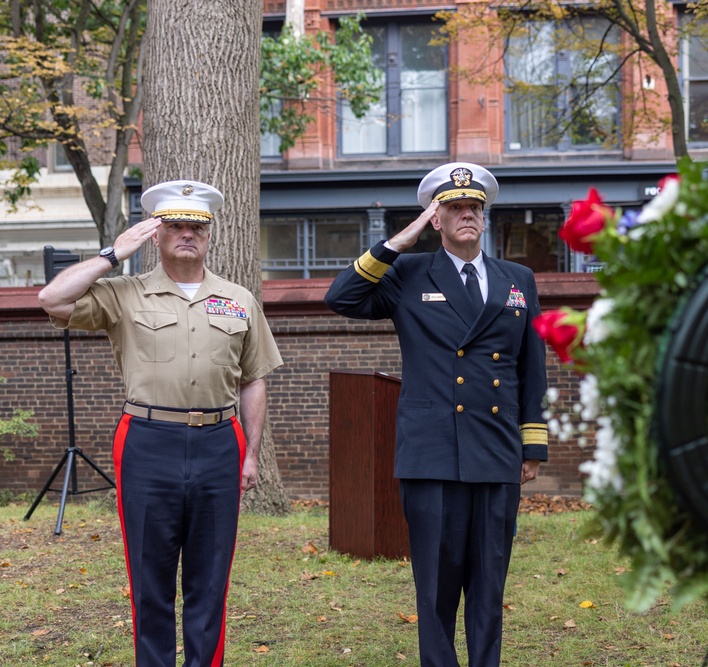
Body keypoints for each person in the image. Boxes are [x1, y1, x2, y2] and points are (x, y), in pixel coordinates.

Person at [37, 179, 283, 667]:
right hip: (148, 442)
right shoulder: (123, 294)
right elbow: (51, 298)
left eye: (197, 225)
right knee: (149, 579)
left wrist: (251, 453)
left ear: (210, 234)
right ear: (156, 233)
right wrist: (113, 253)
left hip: (219, 442)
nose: (187, 233)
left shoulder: (238, 299)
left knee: (210, 579)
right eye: (175, 226)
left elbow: (254, 380)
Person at [324, 162, 549, 667]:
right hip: (432, 452)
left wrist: (532, 445)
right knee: (436, 586)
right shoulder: (407, 273)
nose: (467, 214)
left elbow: (532, 366)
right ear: (436, 218)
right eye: (454, 208)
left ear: (484, 218)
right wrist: (399, 241)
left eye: (474, 207)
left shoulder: (518, 280)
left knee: (490, 582)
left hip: (495, 449)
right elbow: (341, 298)